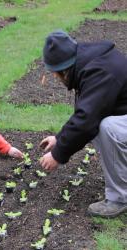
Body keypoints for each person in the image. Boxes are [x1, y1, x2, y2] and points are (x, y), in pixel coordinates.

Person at [39, 30, 127, 217]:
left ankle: (118, 199)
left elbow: (86, 120)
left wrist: (58, 154)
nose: (55, 77)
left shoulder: (99, 72)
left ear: (64, 68)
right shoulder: (90, 62)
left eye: (55, 73)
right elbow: (87, 112)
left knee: (107, 128)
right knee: (101, 125)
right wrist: (59, 138)